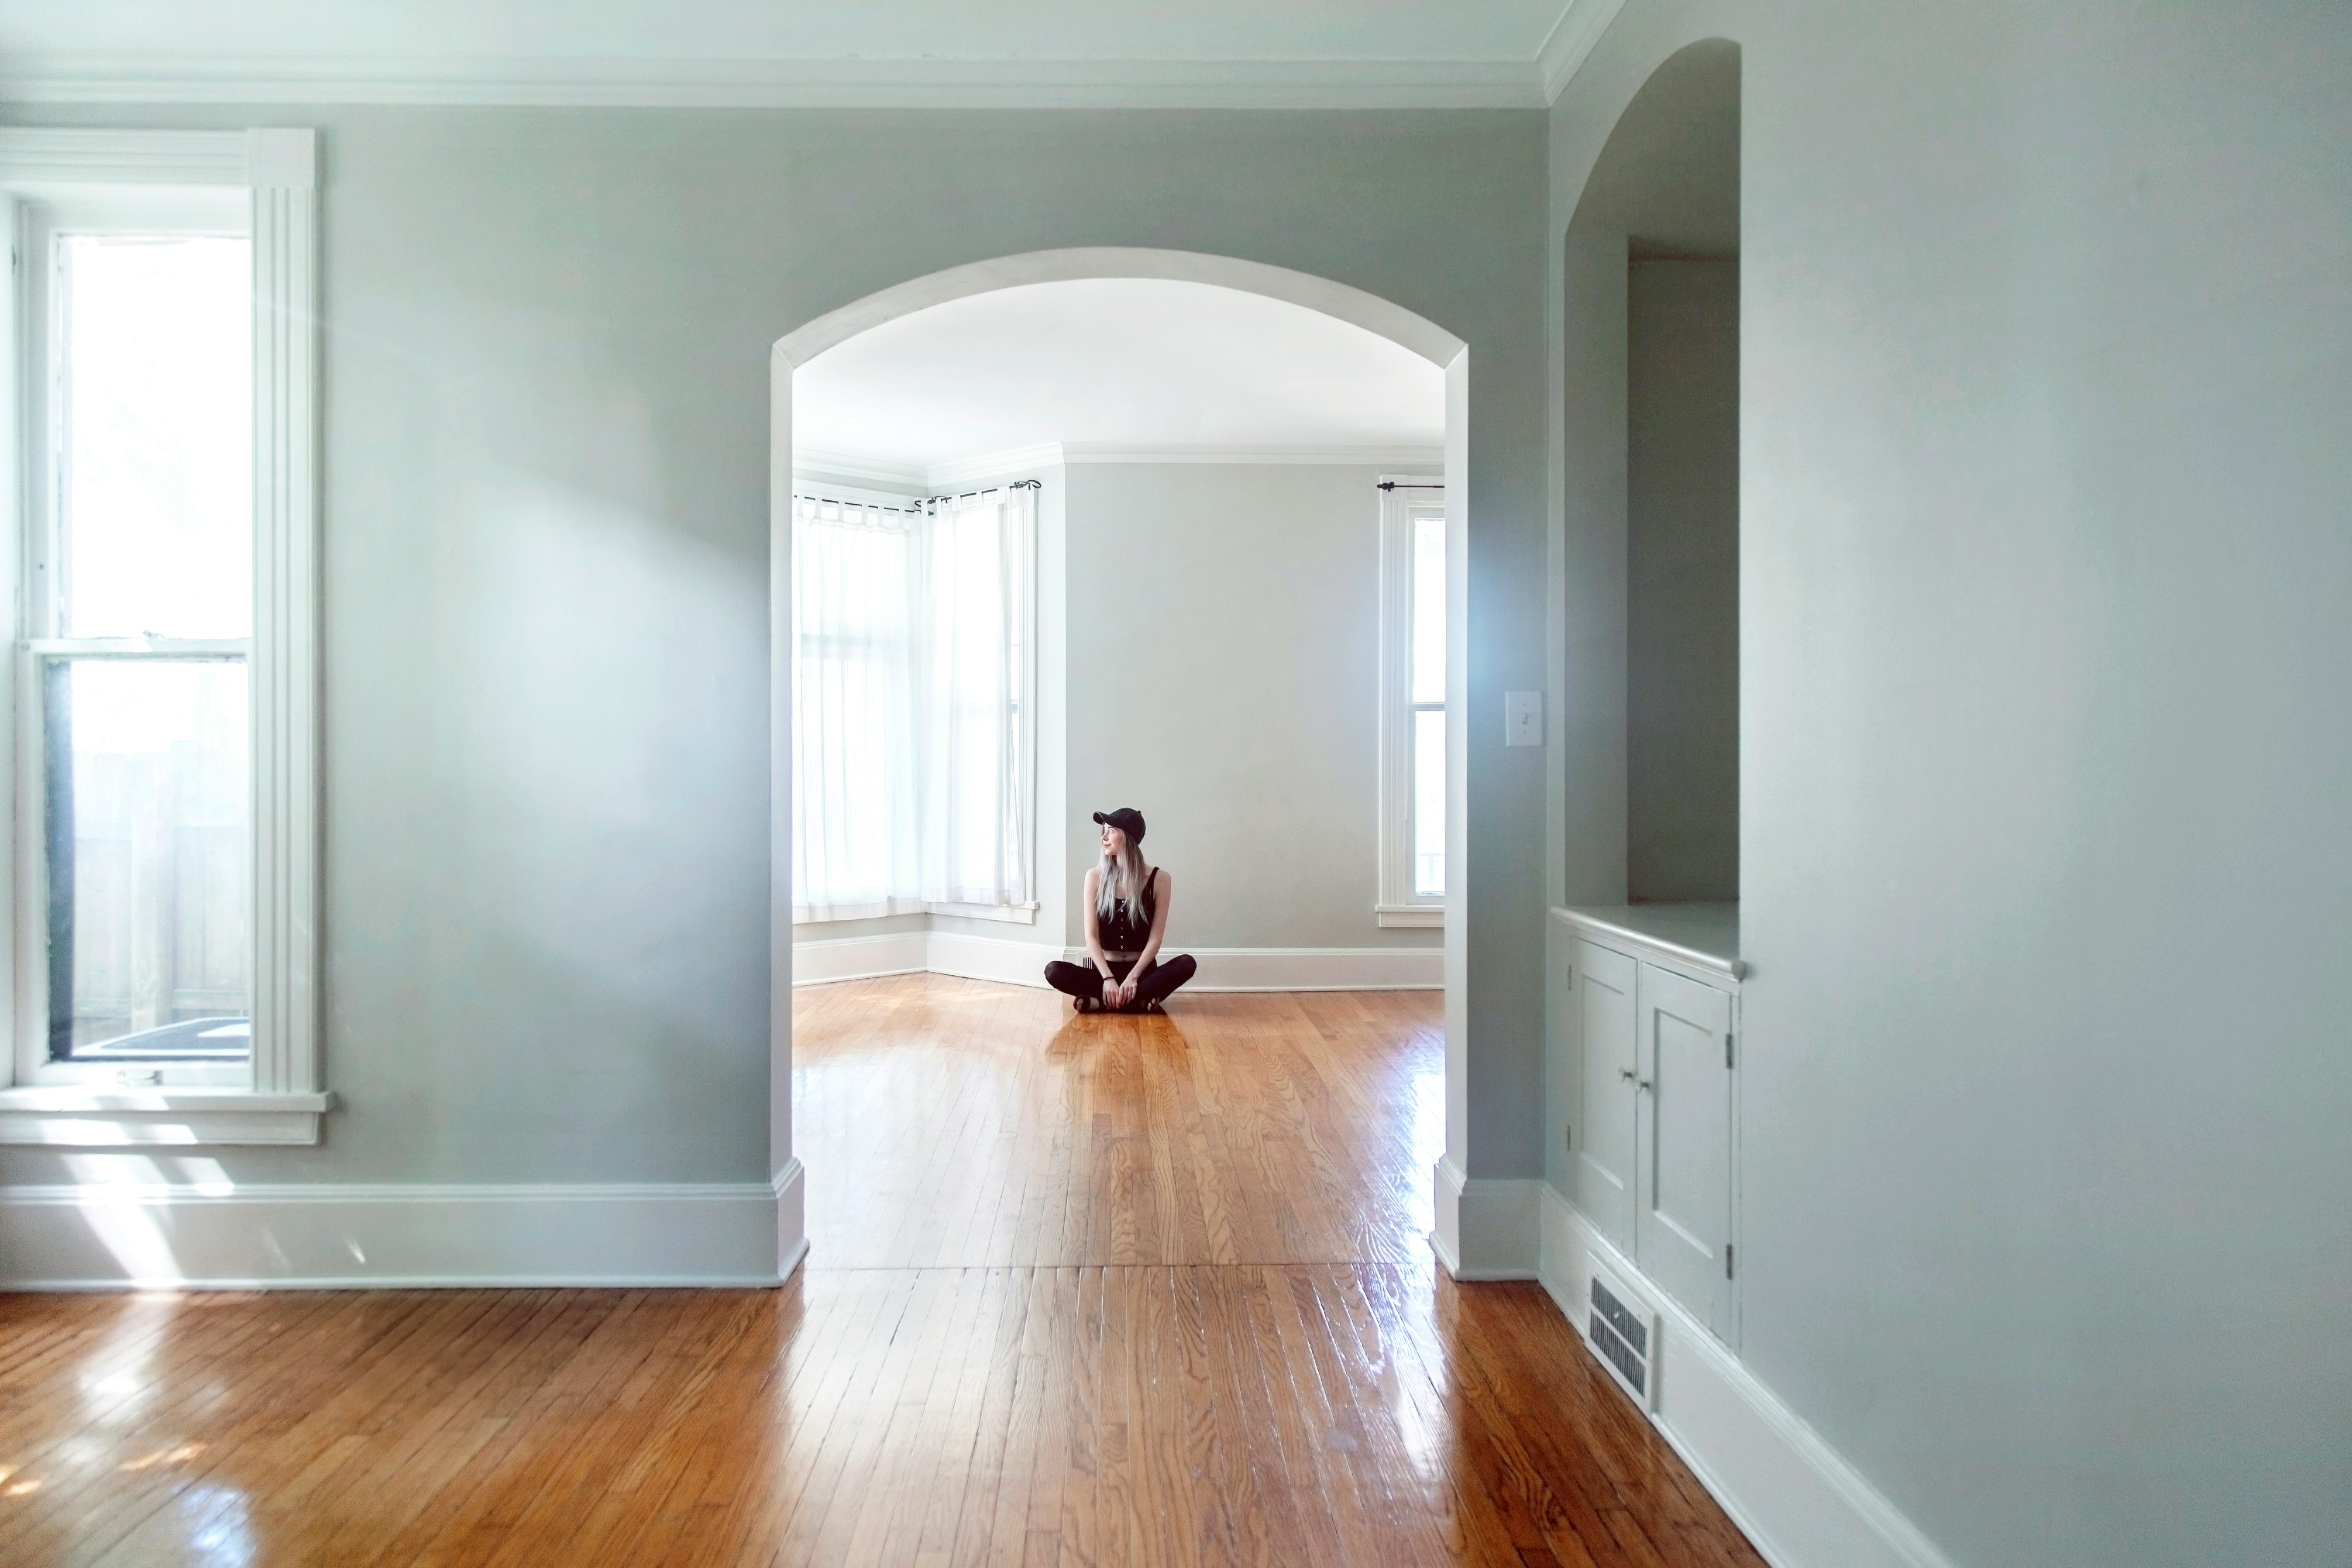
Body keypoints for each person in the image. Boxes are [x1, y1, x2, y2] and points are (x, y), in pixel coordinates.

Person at [1043, 807, 1197, 1014]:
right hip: (1104, 971)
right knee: (1054, 970)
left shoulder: (1160, 880)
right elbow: (1091, 937)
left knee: (1187, 964)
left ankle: (1104, 1002)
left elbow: (1155, 940)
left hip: (1143, 973)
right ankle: (1138, 1001)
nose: (1104, 837)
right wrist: (1108, 979)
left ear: (1128, 837)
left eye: (1111, 831)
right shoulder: (1095, 877)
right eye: (1103, 831)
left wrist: (1133, 978)